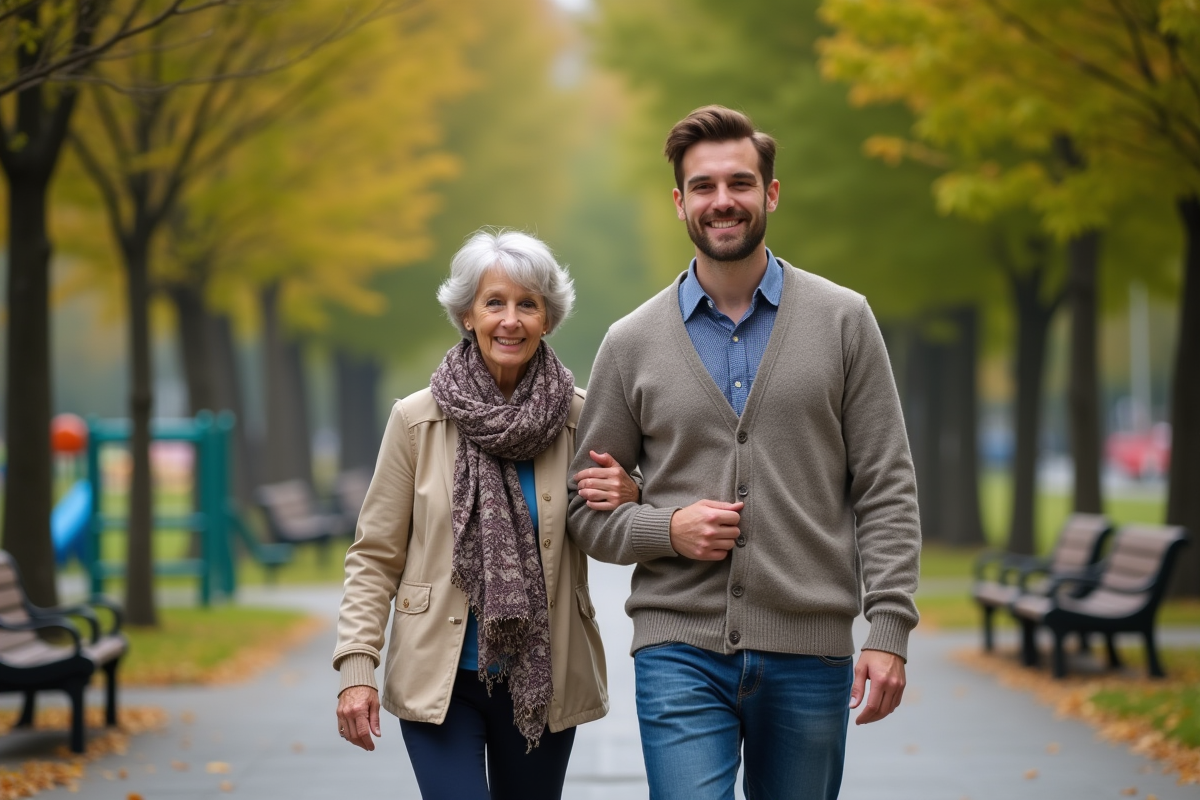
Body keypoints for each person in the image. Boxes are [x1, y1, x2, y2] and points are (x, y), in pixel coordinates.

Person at [567, 106, 922, 800]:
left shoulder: (844, 320)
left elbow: (886, 485)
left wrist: (888, 627)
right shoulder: (631, 341)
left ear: (771, 193)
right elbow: (585, 511)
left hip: (809, 649)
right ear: (679, 203)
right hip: (679, 647)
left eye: (739, 182)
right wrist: (666, 529)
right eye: (702, 186)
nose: (722, 201)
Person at [334, 229, 638, 800]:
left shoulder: (581, 417)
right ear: (467, 315)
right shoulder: (416, 420)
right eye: (494, 302)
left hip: (545, 677)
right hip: (440, 677)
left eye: (528, 304)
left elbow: (615, 523)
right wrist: (357, 668)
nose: (511, 320)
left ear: (548, 318)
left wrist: (632, 494)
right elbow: (374, 557)